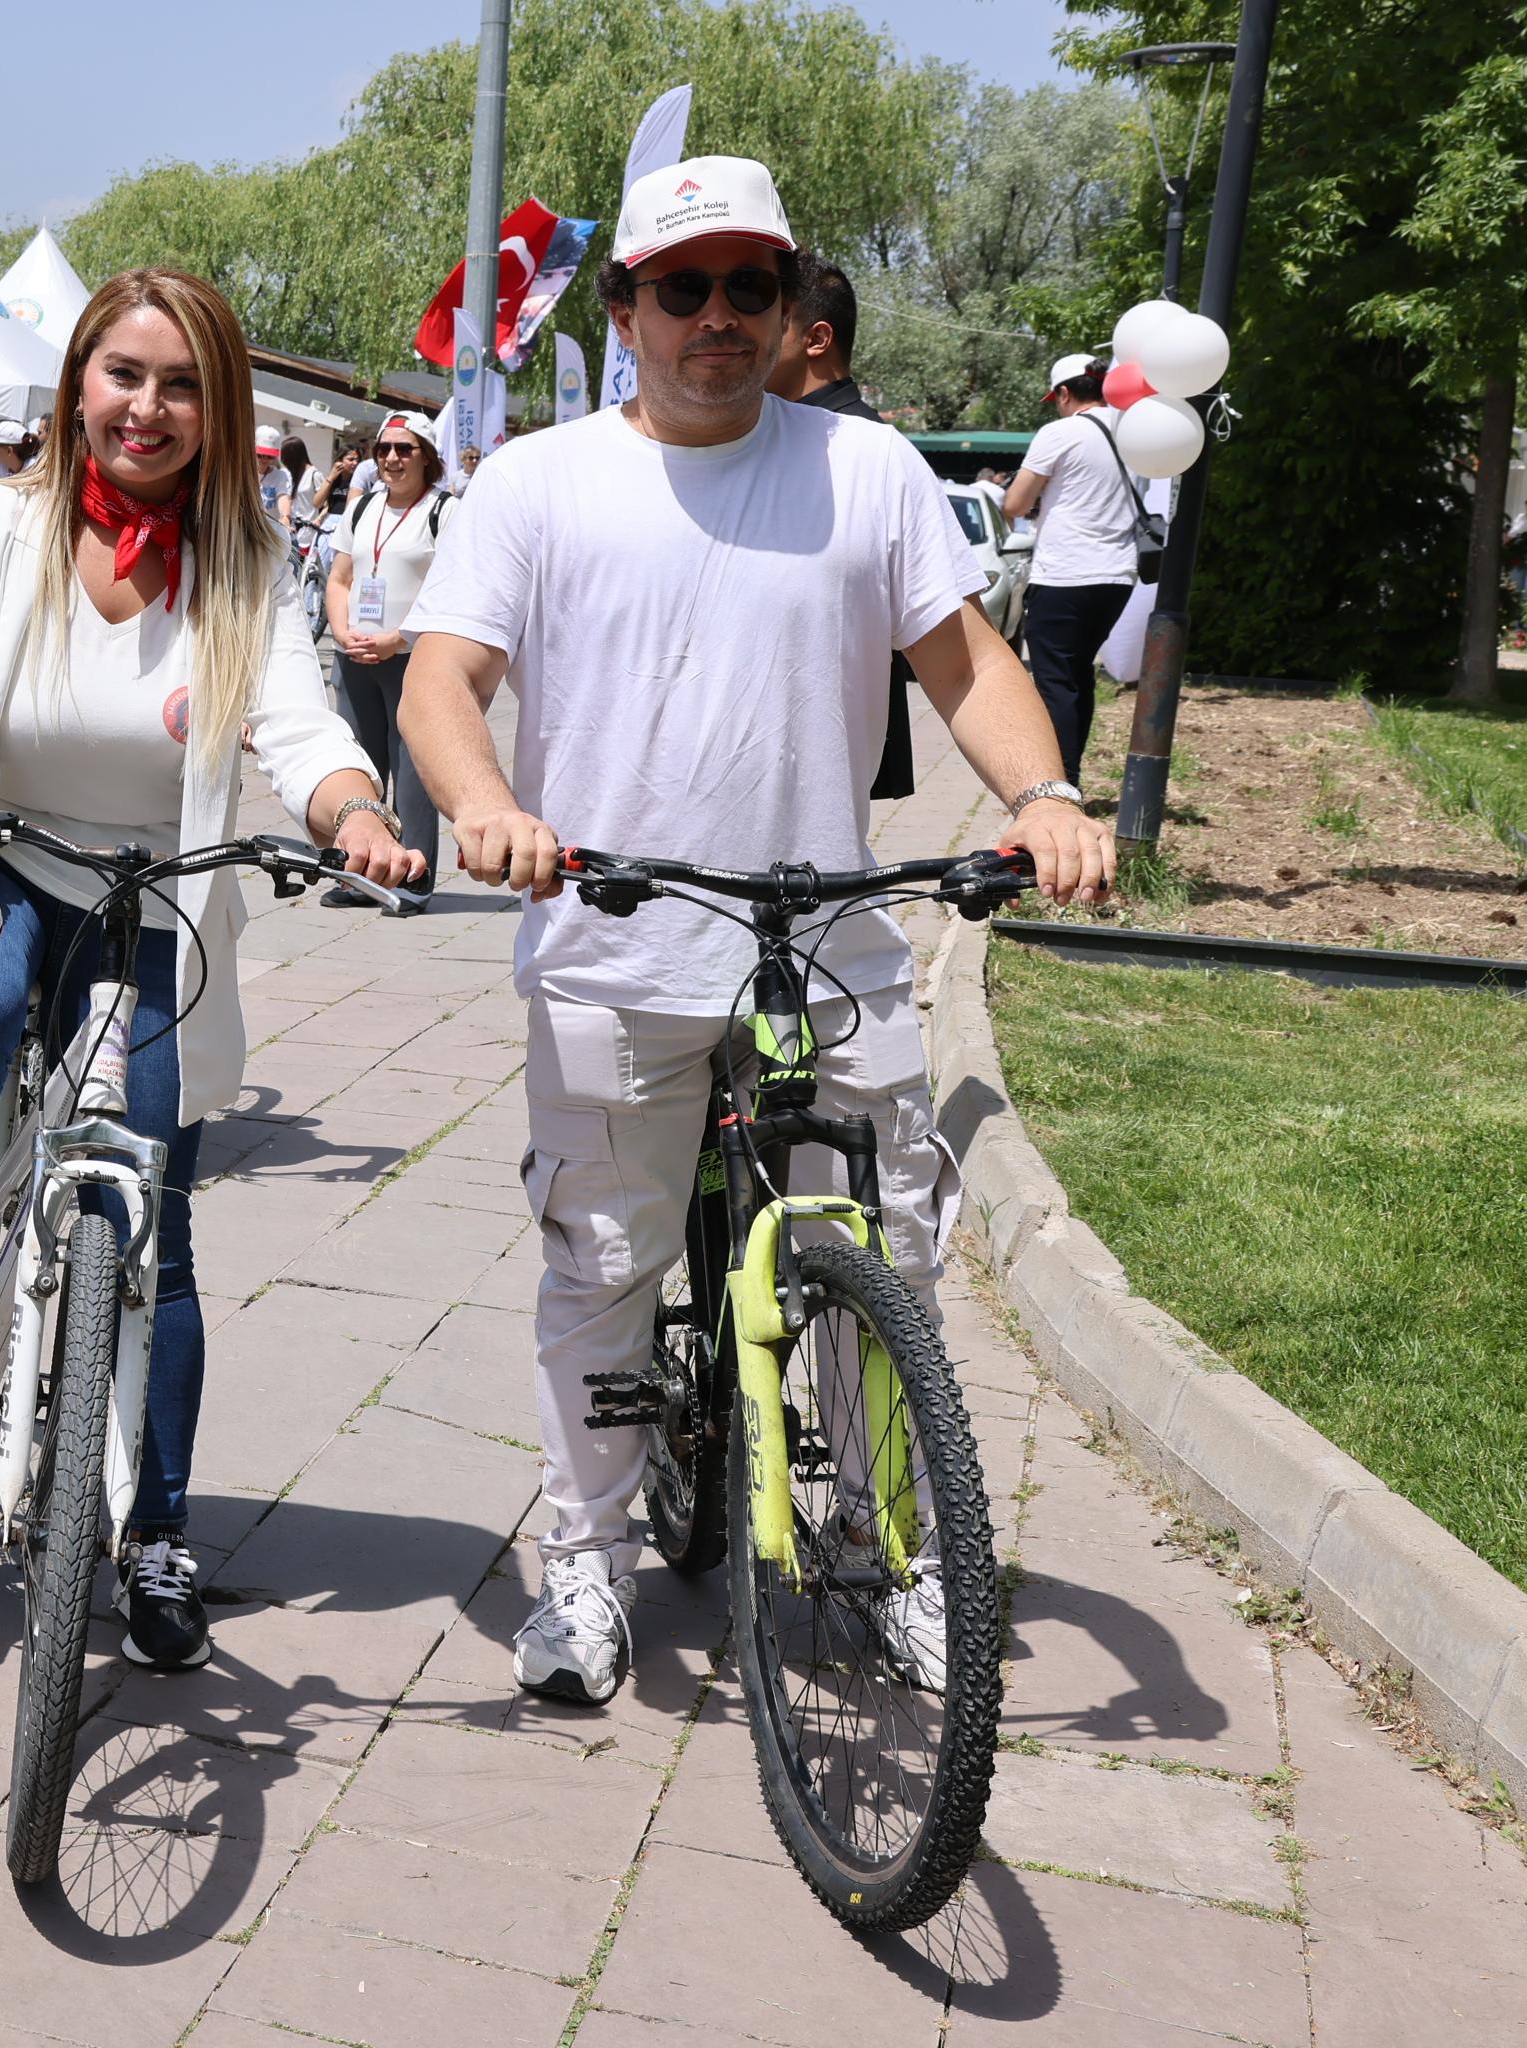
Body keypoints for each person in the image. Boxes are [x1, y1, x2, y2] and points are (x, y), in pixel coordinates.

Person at [397, 155, 1110, 1705]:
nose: (718, 319)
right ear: (627, 307)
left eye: (752, 288)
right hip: (615, 943)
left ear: (795, 310)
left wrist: (1048, 793)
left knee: (885, 1266)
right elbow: (440, 681)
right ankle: (586, 1573)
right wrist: (484, 804)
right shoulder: (536, 482)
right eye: (684, 288)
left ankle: (896, 1554)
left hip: (828, 941)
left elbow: (966, 660)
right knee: (603, 1269)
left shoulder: (867, 472)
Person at [0, 268, 423, 1670]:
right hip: (14, 853)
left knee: (159, 1209)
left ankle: (158, 1526)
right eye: (123, 375)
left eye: (180, 386)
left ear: (219, 410)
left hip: (165, 894)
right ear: (76, 383)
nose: (146, 408)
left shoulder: (248, 563)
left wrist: (357, 813)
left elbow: (298, 718)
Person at [766, 252, 916, 804]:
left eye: (767, 314)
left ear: (816, 338)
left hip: (818, 732)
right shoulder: (822, 432)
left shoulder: (854, 446)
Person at [1000, 353, 1147, 782]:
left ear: (1064, 393)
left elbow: (1014, 503)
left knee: (1056, 683)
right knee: (1079, 675)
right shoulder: (1135, 430)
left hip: (1065, 573)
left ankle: (1058, 784)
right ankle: (1070, 777)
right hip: (1118, 575)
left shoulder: (1060, 432)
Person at [324, 411, 450, 861]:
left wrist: (396, 639)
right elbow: (339, 578)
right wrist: (341, 632)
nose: (391, 458)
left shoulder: (444, 511)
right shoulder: (362, 507)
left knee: (412, 775)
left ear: (427, 457)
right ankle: (363, 870)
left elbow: (452, 594)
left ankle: (412, 878)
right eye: (384, 449)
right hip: (354, 658)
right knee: (361, 772)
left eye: (404, 449)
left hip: (411, 660)